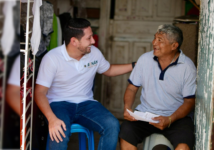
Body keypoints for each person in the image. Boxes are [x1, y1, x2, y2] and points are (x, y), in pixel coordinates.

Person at [35, 18, 133, 150]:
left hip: (86, 104)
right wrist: (52, 119)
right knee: (59, 131)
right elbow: (40, 92)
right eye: (89, 38)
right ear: (74, 41)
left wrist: (134, 66)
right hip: (59, 104)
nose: (93, 41)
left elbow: (108, 70)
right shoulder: (52, 58)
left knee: (112, 125)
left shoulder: (94, 53)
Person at [119, 24, 196, 150]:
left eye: (160, 40)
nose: (154, 42)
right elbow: (132, 88)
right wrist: (127, 108)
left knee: (184, 146)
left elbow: (189, 101)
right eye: (155, 38)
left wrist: (170, 119)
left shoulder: (187, 67)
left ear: (174, 46)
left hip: (176, 118)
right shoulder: (145, 59)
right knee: (126, 132)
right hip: (146, 115)